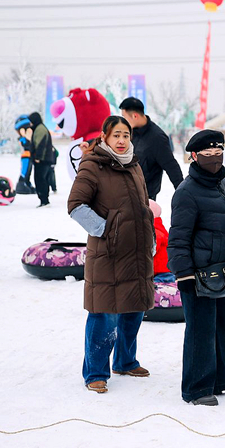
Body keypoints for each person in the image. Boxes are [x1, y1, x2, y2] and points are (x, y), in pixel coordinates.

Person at [67, 116, 155, 394]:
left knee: (134, 308)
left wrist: (150, 235)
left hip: (137, 250)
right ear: (104, 136)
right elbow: (75, 205)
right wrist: (105, 230)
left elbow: (142, 205)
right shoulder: (93, 165)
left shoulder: (134, 165)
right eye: (116, 135)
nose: (121, 140)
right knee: (104, 314)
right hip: (109, 253)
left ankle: (125, 361)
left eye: (126, 135)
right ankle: (95, 372)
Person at [167, 129, 225, 406]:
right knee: (200, 332)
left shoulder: (222, 183)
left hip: (222, 269)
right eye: (208, 154)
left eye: (218, 153)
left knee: (223, 328)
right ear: (194, 156)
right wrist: (184, 274)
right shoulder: (186, 192)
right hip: (197, 274)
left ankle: (220, 377)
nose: (214, 158)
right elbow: (178, 238)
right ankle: (196, 387)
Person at [119, 97, 184, 200]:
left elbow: (171, 166)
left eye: (124, 117)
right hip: (123, 193)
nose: (123, 121)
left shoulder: (157, 138)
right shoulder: (128, 133)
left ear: (135, 116)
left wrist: (183, 194)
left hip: (145, 197)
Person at [29, 112, 55, 208]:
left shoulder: (40, 129)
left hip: (42, 160)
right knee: (42, 179)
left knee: (40, 180)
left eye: (31, 121)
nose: (30, 124)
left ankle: (44, 201)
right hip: (44, 159)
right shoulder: (40, 128)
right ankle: (44, 200)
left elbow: (40, 144)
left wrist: (38, 157)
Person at [149, 200, 171, 279]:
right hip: (164, 271)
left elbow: (150, 250)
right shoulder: (159, 228)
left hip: (161, 273)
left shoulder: (154, 232)